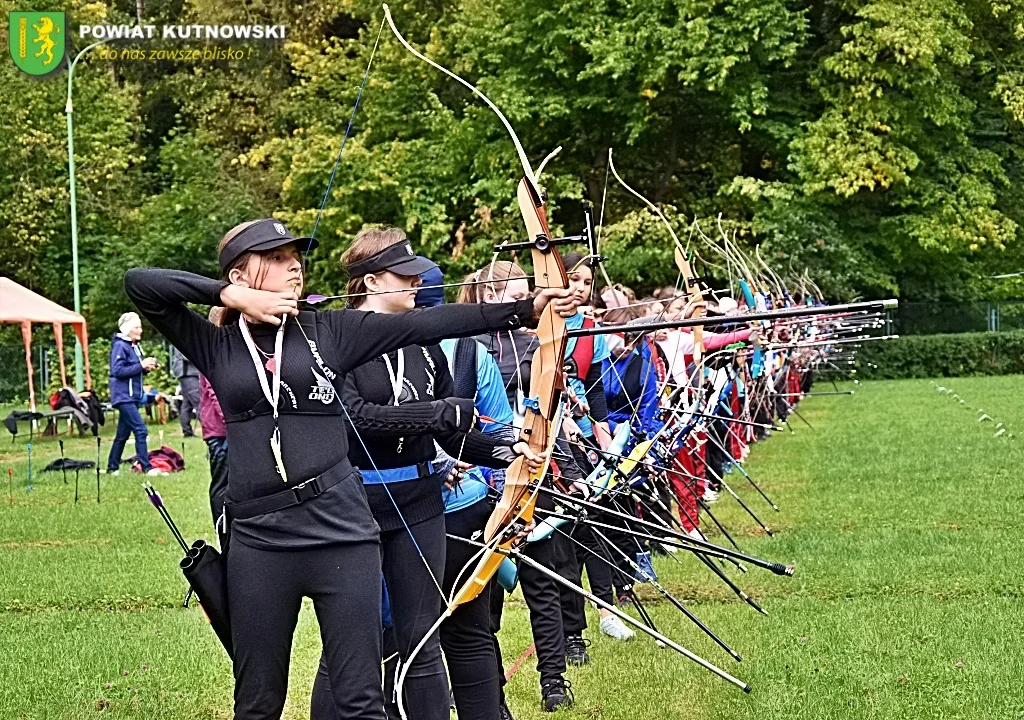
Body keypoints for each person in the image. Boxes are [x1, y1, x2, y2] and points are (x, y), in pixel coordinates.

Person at [123, 218, 574, 720]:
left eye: (295, 256)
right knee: (257, 701)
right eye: (275, 258)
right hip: (259, 539)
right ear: (241, 273)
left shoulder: (328, 331)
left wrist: (525, 309)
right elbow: (141, 283)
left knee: (360, 698)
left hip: (340, 530)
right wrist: (230, 296)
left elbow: (425, 323)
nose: (293, 265)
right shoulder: (216, 345)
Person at [310, 229, 545, 720]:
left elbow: (451, 439)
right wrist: (435, 414)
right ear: (371, 281)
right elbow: (355, 415)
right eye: (405, 275)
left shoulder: (425, 345)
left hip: (420, 502)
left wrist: (507, 451)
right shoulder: (335, 340)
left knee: (422, 639)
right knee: (353, 643)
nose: (417, 283)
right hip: (354, 505)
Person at [106, 311, 163, 476]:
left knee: (122, 434)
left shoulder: (134, 346)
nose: (140, 330)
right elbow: (117, 370)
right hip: (123, 396)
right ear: (128, 329)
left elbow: (132, 371)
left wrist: (145, 369)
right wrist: (141, 366)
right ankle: (146, 467)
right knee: (141, 430)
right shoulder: (120, 346)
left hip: (132, 396)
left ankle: (112, 467)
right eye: (137, 327)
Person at [199, 307, 229, 531]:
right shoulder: (210, 350)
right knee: (221, 483)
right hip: (219, 430)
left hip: (227, 428)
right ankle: (221, 528)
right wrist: (231, 418)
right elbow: (214, 390)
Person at [171, 344, 202, 437]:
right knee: (199, 402)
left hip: (188, 373)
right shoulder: (184, 336)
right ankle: (210, 430)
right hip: (188, 373)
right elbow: (187, 356)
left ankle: (187, 431)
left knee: (187, 403)